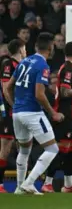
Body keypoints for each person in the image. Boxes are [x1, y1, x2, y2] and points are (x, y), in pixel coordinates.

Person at [2, 32, 64, 195]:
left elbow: (8, 87)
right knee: (52, 149)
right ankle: (29, 183)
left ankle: (19, 188)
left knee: (24, 151)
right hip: (32, 113)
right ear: (50, 48)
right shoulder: (42, 65)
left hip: (17, 113)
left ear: (36, 46)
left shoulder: (24, 62)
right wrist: (53, 113)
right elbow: (39, 94)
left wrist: (15, 105)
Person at [42, 41, 72, 193]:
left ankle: (68, 185)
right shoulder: (68, 70)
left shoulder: (69, 69)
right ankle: (47, 183)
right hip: (63, 115)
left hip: (70, 114)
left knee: (68, 150)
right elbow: (64, 92)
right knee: (59, 149)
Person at [0, 39, 26, 193]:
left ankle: (22, 183)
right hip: (9, 113)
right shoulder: (8, 64)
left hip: (18, 112)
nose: (26, 51)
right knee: (5, 147)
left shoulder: (21, 66)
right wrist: (15, 107)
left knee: (18, 146)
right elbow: (5, 89)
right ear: (20, 49)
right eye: (24, 48)